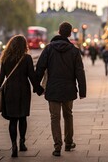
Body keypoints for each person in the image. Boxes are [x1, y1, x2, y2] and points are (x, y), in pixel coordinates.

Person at [35, 22, 86, 157]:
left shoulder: (48, 49)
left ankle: (57, 146)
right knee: (68, 115)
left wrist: (37, 86)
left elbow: (40, 68)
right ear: (69, 34)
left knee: (54, 117)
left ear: (58, 32)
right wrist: (82, 91)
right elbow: (80, 72)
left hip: (53, 89)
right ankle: (68, 142)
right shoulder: (74, 51)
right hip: (68, 89)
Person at [0, 35, 44, 157]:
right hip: (23, 90)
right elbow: (32, 77)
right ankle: (22, 143)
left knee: (13, 120)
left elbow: (1, 78)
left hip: (10, 91)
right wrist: (39, 89)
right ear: (24, 46)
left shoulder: (5, 58)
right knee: (22, 118)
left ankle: (14, 145)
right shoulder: (26, 58)